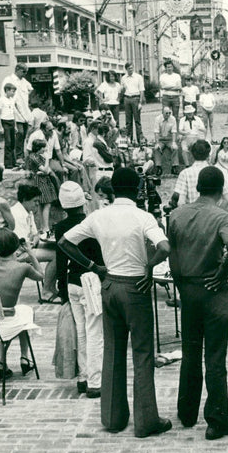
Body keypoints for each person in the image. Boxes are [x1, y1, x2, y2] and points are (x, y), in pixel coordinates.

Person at [57, 167, 173, 436]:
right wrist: (148, 266)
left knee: (113, 350)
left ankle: (112, 417)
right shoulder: (142, 216)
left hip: (109, 284)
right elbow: (165, 247)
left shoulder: (98, 216)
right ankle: (146, 421)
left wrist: (93, 266)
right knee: (142, 354)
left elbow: (65, 242)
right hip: (136, 286)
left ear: (112, 190)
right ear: (136, 189)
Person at [168, 166, 228, 439]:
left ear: (199, 187)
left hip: (188, 289)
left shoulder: (177, 215)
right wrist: (223, 271)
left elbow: (173, 257)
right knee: (215, 357)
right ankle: (216, 421)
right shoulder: (221, 216)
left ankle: (187, 412)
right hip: (213, 291)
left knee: (190, 353)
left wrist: (181, 286)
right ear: (221, 188)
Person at [54, 181, 105, 398]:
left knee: (81, 331)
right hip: (90, 280)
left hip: (71, 280)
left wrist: (62, 288)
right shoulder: (90, 223)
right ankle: (95, 380)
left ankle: (84, 377)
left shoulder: (60, 228)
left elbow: (59, 261)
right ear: (82, 203)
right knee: (95, 333)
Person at [0, 228, 42, 379]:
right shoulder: (22, 267)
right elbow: (40, 276)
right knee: (25, 313)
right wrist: (30, 253)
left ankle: (1, 362)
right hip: (5, 325)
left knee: (16, 313)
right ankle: (24, 358)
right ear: (15, 247)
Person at [0, 63, 33, 165]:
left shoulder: (24, 81)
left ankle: (20, 157)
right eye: (23, 72)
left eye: (26, 72)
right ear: (17, 69)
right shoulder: (8, 79)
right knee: (19, 134)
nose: (25, 74)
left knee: (23, 136)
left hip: (25, 112)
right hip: (14, 112)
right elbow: (4, 96)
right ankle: (17, 157)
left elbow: (30, 89)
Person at [25, 139, 58, 236]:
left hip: (43, 180)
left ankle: (43, 228)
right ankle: (45, 228)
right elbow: (45, 170)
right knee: (46, 204)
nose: (45, 149)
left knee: (43, 205)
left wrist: (43, 171)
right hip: (40, 182)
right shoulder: (34, 157)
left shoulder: (36, 156)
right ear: (39, 148)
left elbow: (45, 171)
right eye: (43, 147)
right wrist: (47, 159)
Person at [169, 140, 214, 209]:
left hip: (192, 214)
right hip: (212, 215)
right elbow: (226, 199)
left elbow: (181, 202)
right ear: (208, 154)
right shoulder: (216, 172)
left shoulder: (185, 173)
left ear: (192, 154)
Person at [120, 62, 145, 143]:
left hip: (136, 98)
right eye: (129, 68)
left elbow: (141, 90)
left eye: (132, 68)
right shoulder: (123, 78)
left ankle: (140, 140)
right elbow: (122, 90)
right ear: (126, 69)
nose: (130, 69)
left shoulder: (138, 77)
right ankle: (129, 140)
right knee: (128, 121)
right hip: (127, 98)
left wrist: (140, 102)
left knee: (137, 121)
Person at [0, 83, 19, 169]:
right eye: (12, 91)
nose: (13, 93)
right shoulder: (1, 100)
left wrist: (16, 125)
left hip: (12, 122)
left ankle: (13, 162)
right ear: (7, 90)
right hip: (5, 122)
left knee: (13, 142)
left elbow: (14, 113)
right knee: (8, 142)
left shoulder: (12, 100)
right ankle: (7, 163)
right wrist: (0, 126)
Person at [153, 107, 179, 175]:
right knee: (156, 148)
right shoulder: (157, 119)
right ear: (162, 113)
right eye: (166, 113)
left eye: (169, 113)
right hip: (161, 139)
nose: (168, 115)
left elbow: (174, 131)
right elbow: (156, 132)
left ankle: (174, 166)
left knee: (175, 148)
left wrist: (173, 142)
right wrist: (157, 143)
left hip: (169, 139)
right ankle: (158, 167)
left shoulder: (173, 119)